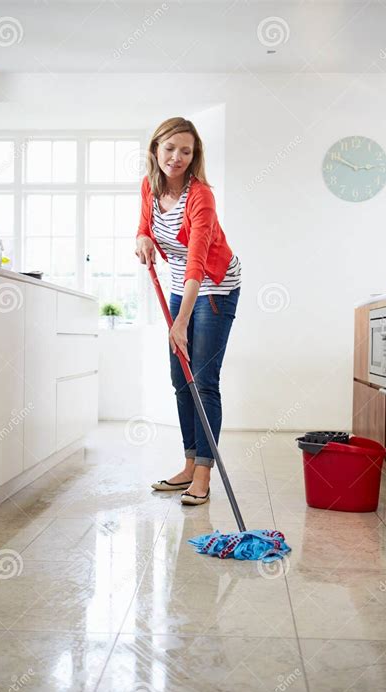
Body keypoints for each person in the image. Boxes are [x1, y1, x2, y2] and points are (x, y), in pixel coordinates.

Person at [135, 117, 241, 506]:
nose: (176, 157)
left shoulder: (201, 197)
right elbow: (145, 225)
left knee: (203, 378)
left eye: (186, 151)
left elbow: (197, 259)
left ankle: (203, 474)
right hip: (182, 286)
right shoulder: (150, 186)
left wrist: (180, 322)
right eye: (170, 149)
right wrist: (142, 237)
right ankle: (188, 462)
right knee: (180, 380)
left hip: (215, 286)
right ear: (155, 149)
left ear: (195, 156)